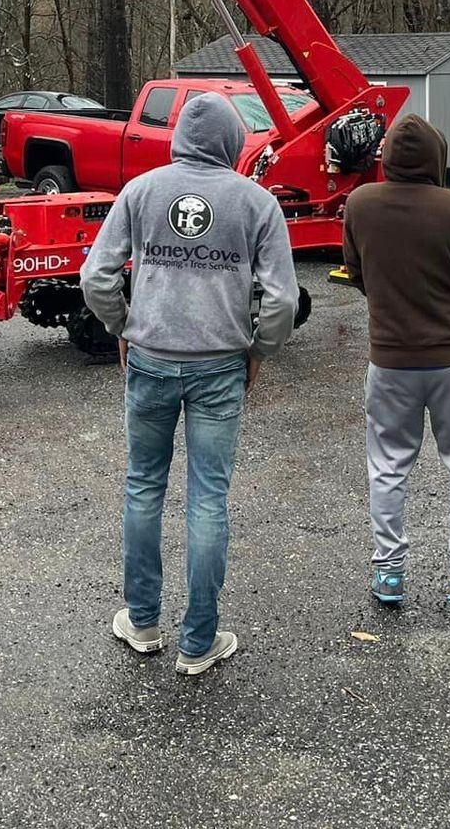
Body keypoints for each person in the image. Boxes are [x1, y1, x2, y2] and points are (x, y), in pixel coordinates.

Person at [82, 92, 299, 677]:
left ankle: (144, 620)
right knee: (209, 498)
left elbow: (96, 275)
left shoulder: (141, 192)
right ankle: (199, 640)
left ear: (178, 136)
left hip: (150, 358)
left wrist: (120, 325)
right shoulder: (256, 203)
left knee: (143, 486)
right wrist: (260, 348)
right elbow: (282, 299)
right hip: (220, 366)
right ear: (231, 142)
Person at [341, 115, 450, 608]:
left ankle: (389, 574)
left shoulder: (360, 204)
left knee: (387, 467)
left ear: (386, 159)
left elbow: (357, 273)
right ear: (438, 157)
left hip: (389, 361)